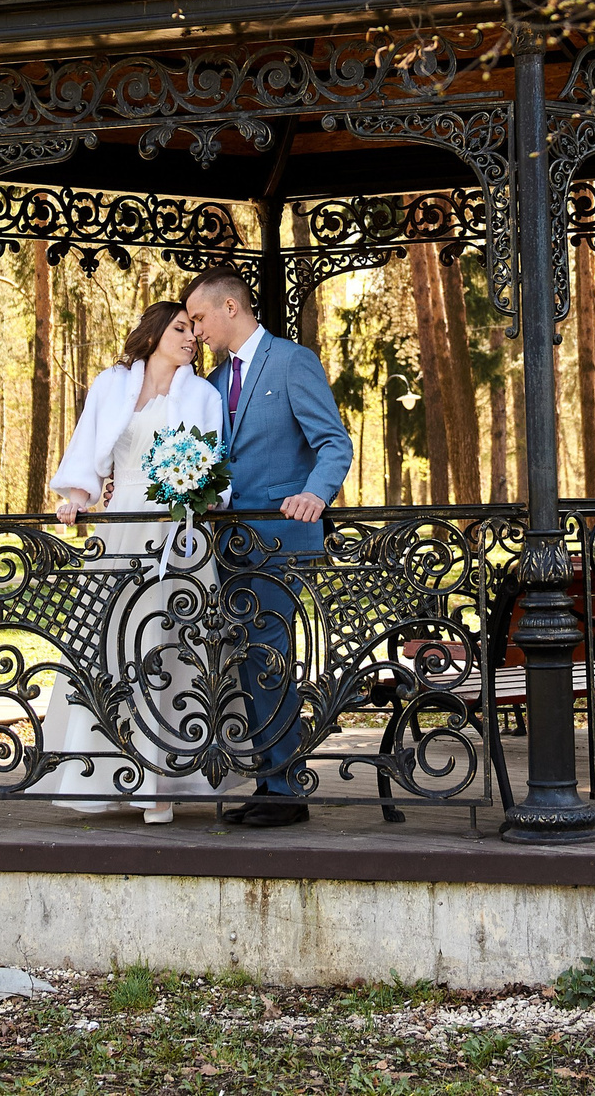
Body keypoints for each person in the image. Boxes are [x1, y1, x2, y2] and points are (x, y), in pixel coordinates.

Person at [181, 265, 354, 828]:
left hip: (281, 539)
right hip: (228, 542)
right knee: (249, 661)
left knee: (269, 658)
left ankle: (285, 789)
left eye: (200, 317)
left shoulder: (292, 361)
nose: (196, 330)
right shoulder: (211, 383)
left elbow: (333, 443)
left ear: (230, 307)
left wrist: (315, 494)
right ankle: (269, 782)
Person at [45, 301, 227, 823]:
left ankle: (162, 783)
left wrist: (199, 494)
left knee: (171, 646)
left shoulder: (204, 395)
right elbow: (87, 445)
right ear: (153, 333)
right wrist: (77, 497)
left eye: (194, 330)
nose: (191, 338)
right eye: (180, 328)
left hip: (179, 531)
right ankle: (103, 771)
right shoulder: (111, 384)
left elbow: (213, 462)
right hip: (122, 526)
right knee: (110, 643)